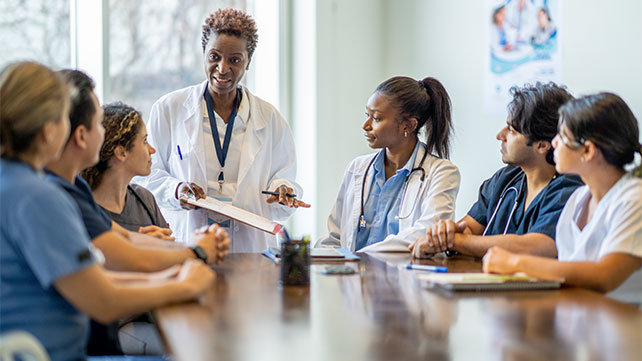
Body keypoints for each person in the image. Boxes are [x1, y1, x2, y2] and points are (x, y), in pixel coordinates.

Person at [0, 61, 215, 361]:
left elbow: (96, 278)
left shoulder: (15, 182)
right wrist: (183, 284)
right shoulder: (37, 197)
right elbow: (102, 300)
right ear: (50, 132)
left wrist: (172, 279)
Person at [136, 8, 309, 252]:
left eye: (235, 60)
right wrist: (176, 190)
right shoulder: (169, 109)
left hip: (250, 247)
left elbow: (284, 179)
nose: (222, 68)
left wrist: (283, 190)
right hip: (189, 239)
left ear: (248, 62)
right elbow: (145, 175)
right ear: (204, 55)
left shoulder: (270, 118)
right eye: (214, 56)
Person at [483, 93, 642, 304]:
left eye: (563, 137)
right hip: (581, 322)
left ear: (587, 150)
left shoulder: (633, 199)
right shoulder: (578, 199)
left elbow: (604, 276)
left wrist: (515, 262)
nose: (554, 142)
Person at [410, 82, 583, 259]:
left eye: (512, 131)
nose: (500, 135)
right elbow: (469, 228)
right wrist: (446, 234)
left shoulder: (569, 188)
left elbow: (539, 245)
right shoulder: (506, 178)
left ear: (542, 145)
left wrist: (455, 241)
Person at [317, 76, 460, 252]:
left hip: (405, 277)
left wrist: (358, 257)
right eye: (367, 115)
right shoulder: (357, 169)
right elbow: (336, 237)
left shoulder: (442, 173)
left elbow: (427, 234)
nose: (365, 126)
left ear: (408, 125)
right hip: (354, 277)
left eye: (376, 118)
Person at [82, 102, 172, 239]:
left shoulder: (144, 199)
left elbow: (171, 250)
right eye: (144, 141)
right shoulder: (83, 208)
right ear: (121, 153)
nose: (152, 150)